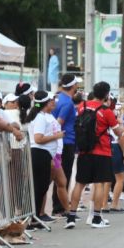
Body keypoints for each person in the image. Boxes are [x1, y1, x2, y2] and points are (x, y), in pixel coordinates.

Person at [64, 81, 124, 229]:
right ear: (106, 94)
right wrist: (120, 123)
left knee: (80, 183)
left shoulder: (82, 107)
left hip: (84, 151)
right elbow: (118, 132)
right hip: (102, 151)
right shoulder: (106, 111)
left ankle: (71, 217)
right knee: (99, 183)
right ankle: (96, 218)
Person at [25, 91, 63, 227]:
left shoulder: (43, 116)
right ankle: (32, 219)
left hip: (43, 154)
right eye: (51, 100)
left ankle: (34, 217)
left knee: (40, 187)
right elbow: (38, 139)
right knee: (39, 187)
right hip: (40, 154)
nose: (53, 102)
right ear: (46, 103)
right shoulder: (40, 117)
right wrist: (56, 136)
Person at [50, 73, 80, 215]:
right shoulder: (67, 102)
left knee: (57, 176)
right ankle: (59, 207)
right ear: (73, 85)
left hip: (58, 141)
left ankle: (58, 205)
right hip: (65, 142)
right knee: (63, 176)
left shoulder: (57, 98)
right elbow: (59, 123)